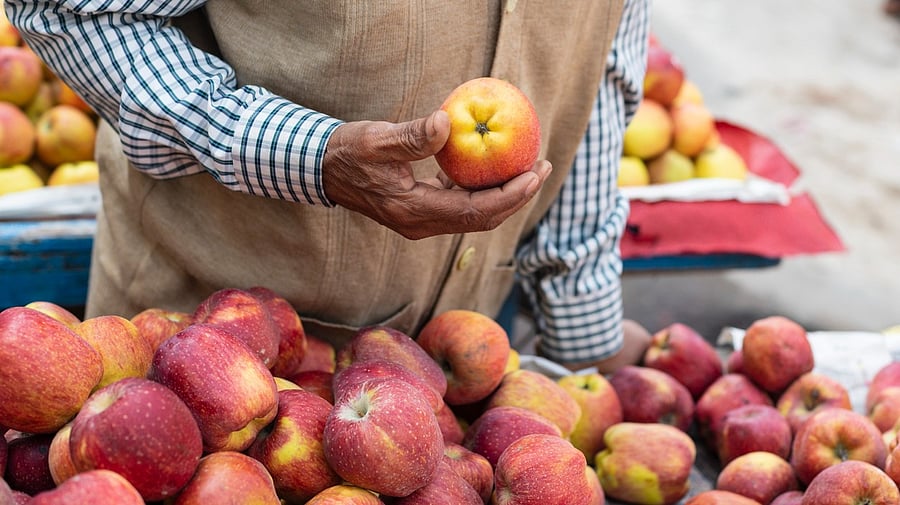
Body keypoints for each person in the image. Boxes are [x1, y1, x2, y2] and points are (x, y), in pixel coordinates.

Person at [7, 0, 651, 374]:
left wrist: (585, 334)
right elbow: (68, 9)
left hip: (446, 393)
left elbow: (597, 69)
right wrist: (309, 154)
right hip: (192, 361)